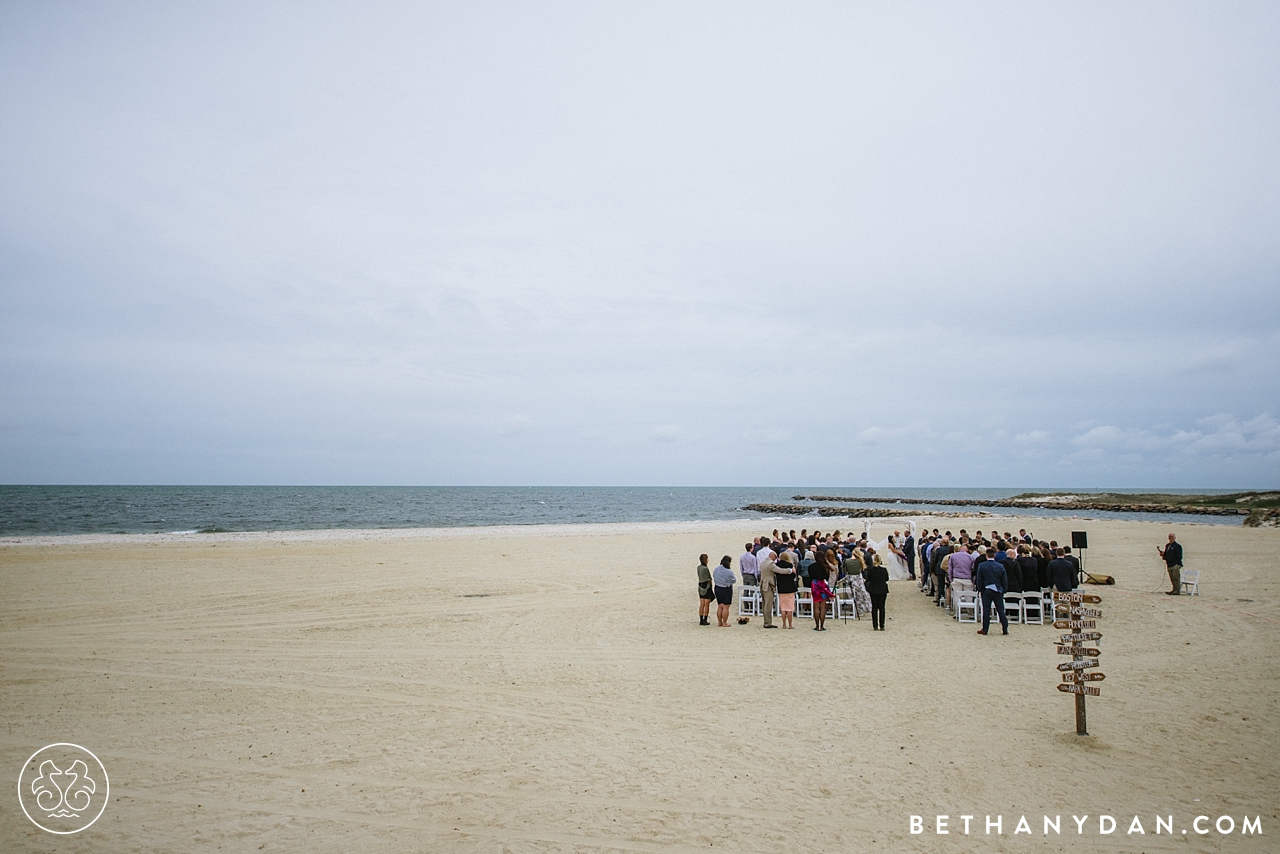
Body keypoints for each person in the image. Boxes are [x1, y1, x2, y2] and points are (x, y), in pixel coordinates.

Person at [974, 548, 1009, 636]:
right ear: (995, 555)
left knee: (986, 610)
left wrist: (979, 588)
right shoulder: (1000, 566)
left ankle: (985, 629)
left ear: (986, 556)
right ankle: (1005, 628)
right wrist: (1004, 589)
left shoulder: (982, 565)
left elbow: (979, 578)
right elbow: (1004, 579)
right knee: (1000, 610)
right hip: (998, 589)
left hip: (986, 589)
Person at [809, 549, 834, 631]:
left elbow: (810, 576)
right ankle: (822, 626)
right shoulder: (826, 567)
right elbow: (827, 577)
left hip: (815, 585)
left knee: (816, 606)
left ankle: (817, 626)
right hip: (822, 584)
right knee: (823, 607)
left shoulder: (811, 567)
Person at [863, 553, 889, 630]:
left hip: (873, 589)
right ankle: (882, 625)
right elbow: (887, 578)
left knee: (874, 607)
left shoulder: (870, 570)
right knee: (882, 607)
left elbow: (868, 578)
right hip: (882, 589)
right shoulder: (883, 570)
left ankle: (875, 625)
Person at [775, 552, 798, 628]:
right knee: (789, 607)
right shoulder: (790, 565)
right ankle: (790, 625)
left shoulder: (777, 565)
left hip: (781, 588)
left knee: (783, 607)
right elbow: (793, 576)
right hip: (790, 588)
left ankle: (784, 624)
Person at [712, 555, 736, 627]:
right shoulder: (729, 571)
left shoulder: (716, 569)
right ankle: (724, 622)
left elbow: (714, 576)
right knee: (726, 607)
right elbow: (734, 580)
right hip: (726, 588)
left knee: (720, 606)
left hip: (718, 588)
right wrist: (728, 582)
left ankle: (719, 622)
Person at [758, 551, 780, 629]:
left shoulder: (763, 562)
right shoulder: (770, 564)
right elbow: (779, 570)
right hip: (768, 585)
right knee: (768, 604)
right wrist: (789, 570)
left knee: (765, 604)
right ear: (773, 556)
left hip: (763, 584)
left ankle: (766, 621)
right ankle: (767, 623)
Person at [696, 554, 714, 625]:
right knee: (707, 604)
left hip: (700, 585)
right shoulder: (705, 568)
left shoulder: (698, 567)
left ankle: (701, 619)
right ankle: (705, 619)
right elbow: (709, 578)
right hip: (706, 585)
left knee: (702, 604)